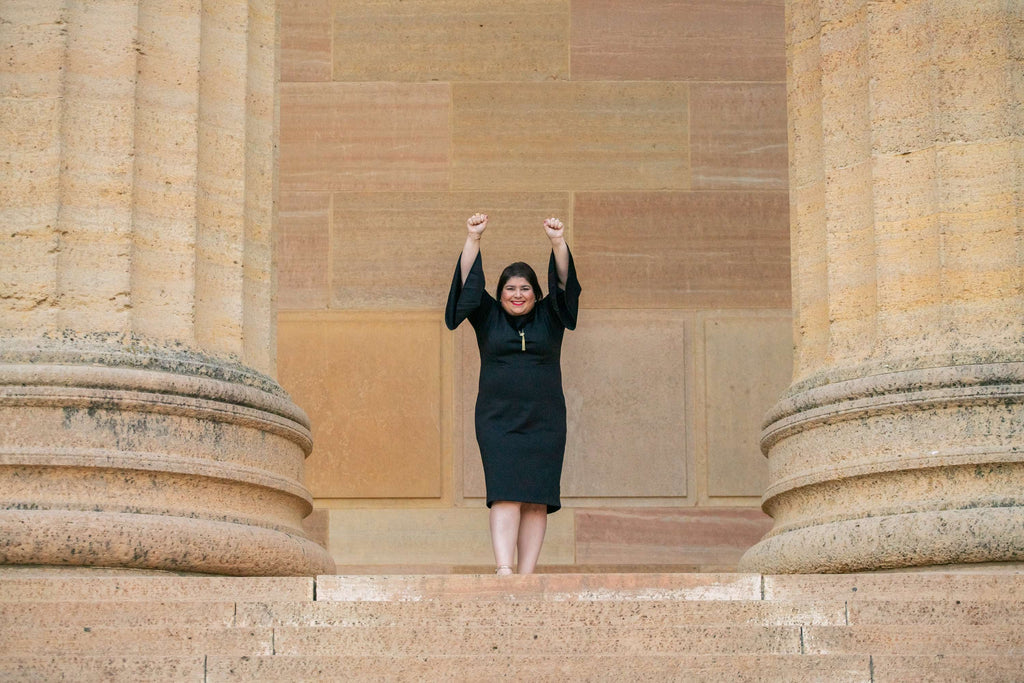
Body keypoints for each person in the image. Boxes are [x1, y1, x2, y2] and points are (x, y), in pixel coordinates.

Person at [445, 212, 582, 575]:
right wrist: (473, 239)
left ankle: (526, 575)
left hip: (545, 421)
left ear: (536, 294)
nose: (517, 294)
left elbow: (565, 285)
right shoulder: (487, 316)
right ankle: (505, 570)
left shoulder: (551, 317)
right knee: (505, 492)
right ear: (499, 294)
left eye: (524, 288)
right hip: (497, 420)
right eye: (510, 288)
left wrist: (557, 243)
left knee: (537, 499)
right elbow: (467, 284)